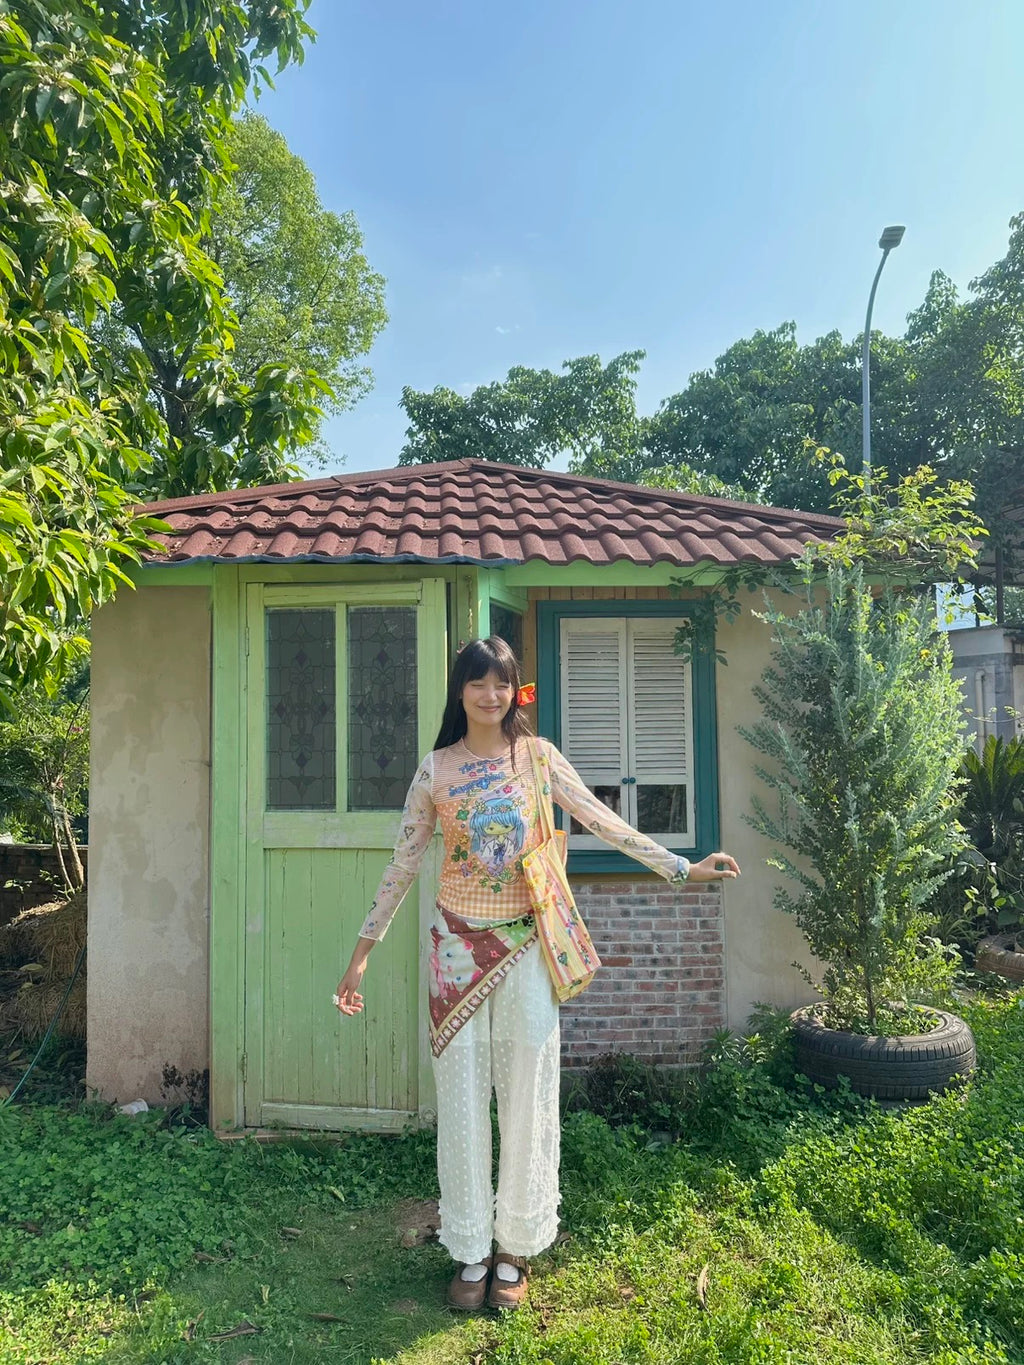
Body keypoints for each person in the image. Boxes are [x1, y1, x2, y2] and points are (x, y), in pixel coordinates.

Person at [335, 637, 740, 1312]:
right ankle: (470, 1246)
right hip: (455, 951)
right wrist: (361, 954)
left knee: (529, 1090)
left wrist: (681, 867)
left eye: (502, 683)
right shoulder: (435, 771)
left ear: (514, 690)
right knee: (461, 1097)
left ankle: (514, 1247)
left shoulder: (538, 758)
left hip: (527, 944)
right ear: (460, 690)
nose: (490, 696)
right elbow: (402, 864)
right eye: (478, 683)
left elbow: (599, 819)